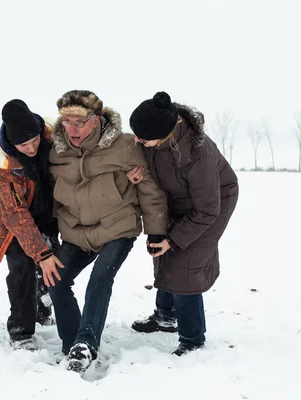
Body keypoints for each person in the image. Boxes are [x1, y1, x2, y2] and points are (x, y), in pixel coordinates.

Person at [46, 90, 168, 372]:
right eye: (66, 121)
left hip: (117, 228)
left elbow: (149, 190)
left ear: (96, 119)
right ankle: (72, 343)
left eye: (79, 122)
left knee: (101, 277)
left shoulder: (124, 146)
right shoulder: (57, 150)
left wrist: (156, 232)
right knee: (55, 278)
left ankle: (87, 343)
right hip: (76, 232)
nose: (72, 129)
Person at [128, 91, 239, 356]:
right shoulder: (154, 137)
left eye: (143, 138)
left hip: (213, 203)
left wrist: (174, 239)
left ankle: (193, 339)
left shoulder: (198, 154)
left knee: (184, 266)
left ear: (166, 132)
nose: (137, 141)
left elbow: (207, 210)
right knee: (161, 253)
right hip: (177, 197)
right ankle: (165, 316)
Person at [0, 99, 64, 351]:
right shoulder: (1, 160)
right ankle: (20, 330)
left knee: (50, 253)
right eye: (24, 145)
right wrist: (40, 253)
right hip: (2, 212)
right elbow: (14, 213)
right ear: (12, 142)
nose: (32, 147)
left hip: (42, 200)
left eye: (34, 140)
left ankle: (42, 310)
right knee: (23, 261)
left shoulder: (50, 130)